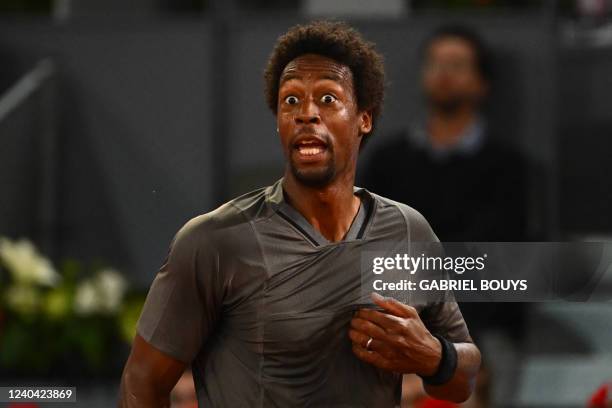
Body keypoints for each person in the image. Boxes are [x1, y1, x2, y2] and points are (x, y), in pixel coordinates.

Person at [119, 20, 480, 407]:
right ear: (278, 121)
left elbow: (463, 380)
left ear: (364, 118)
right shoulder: (214, 241)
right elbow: (141, 381)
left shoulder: (407, 230)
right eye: (291, 100)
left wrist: (434, 357)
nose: (307, 113)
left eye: (327, 99)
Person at [360, 25, 529, 343]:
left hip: (482, 325)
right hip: (397, 320)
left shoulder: (507, 166)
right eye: (435, 64)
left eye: (456, 65)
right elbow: (372, 249)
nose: (443, 74)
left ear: (482, 83)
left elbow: (499, 259)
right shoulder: (387, 160)